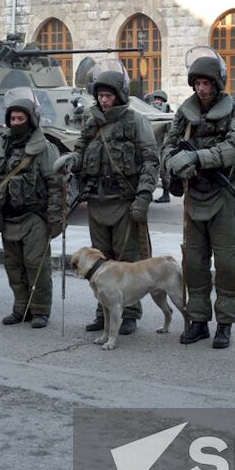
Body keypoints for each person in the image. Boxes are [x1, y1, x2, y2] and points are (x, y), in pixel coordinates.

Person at [56, 62, 159, 336]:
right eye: (100, 95)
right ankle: (104, 311)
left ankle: (130, 315)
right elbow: (80, 152)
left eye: (108, 95)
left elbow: (151, 161)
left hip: (124, 201)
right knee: (99, 264)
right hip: (98, 202)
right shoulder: (92, 123)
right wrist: (71, 159)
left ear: (120, 95)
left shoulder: (136, 121)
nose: (103, 100)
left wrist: (144, 197)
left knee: (129, 261)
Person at [160, 49, 235, 349]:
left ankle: (224, 323)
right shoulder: (184, 114)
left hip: (222, 196)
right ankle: (198, 320)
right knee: (194, 263)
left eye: (207, 83)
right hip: (194, 197)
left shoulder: (234, 111)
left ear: (218, 84)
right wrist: (176, 164)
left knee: (226, 263)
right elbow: (167, 147)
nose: (202, 88)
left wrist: (197, 158)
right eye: (198, 83)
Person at [0, 86, 62, 328]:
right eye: (12, 118)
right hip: (8, 217)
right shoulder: (1, 145)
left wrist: (56, 217)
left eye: (21, 118)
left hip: (34, 216)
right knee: (13, 266)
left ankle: (40, 310)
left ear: (31, 119)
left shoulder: (44, 148)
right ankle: (21, 307)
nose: (16, 123)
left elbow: (55, 184)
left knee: (36, 264)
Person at [144, 89, 173, 203]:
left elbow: (170, 132)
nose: (156, 102)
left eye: (159, 100)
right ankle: (148, 194)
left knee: (163, 172)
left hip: (162, 147)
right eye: (155, 99)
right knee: (148, 171)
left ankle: (166, 194)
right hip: (151, 146)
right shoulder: (150, 111)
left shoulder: (166, 114)